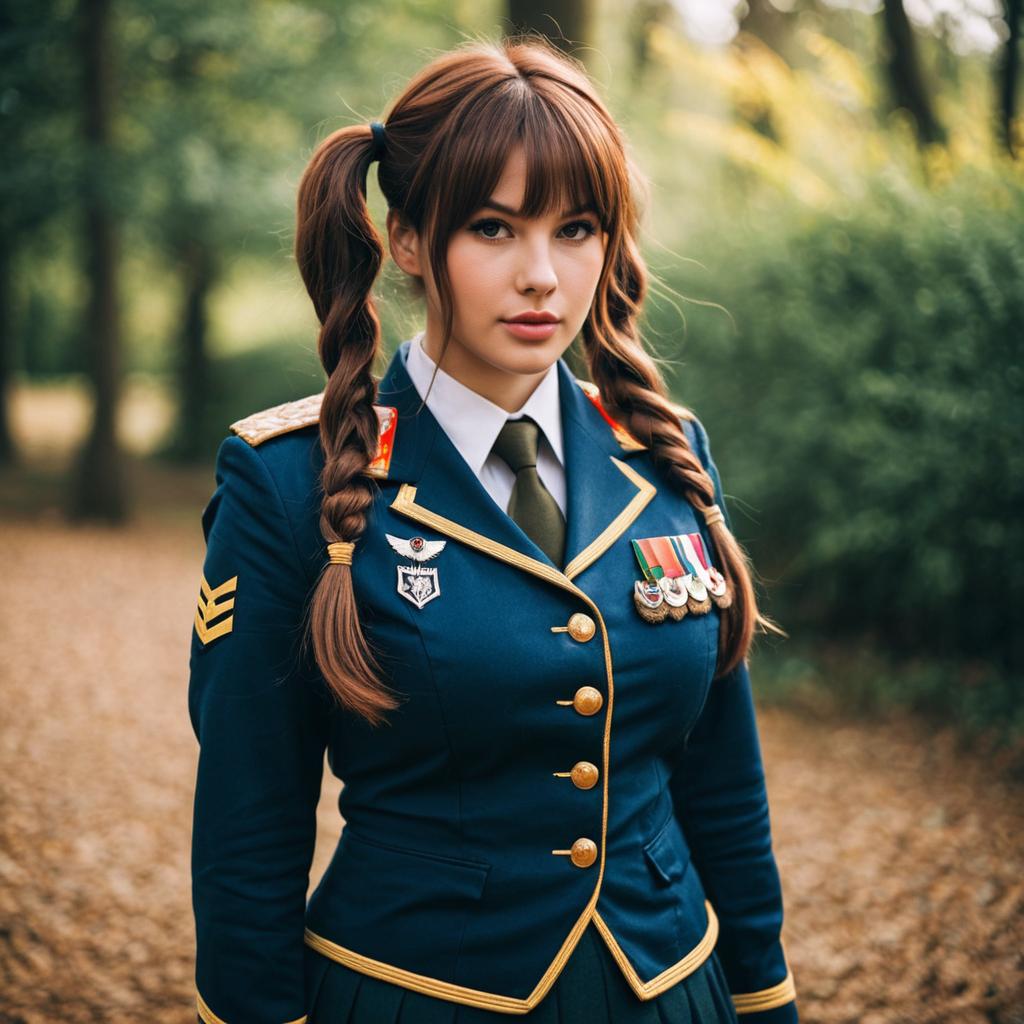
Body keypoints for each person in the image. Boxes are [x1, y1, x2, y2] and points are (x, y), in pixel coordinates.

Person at [187, 36, 799, 1024]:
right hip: (413, 996)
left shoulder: (667, 454)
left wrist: (766, 999)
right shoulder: (286, 480)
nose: (542, 276)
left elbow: (723, 777)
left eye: (575, 230)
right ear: (409, 240)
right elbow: (248, 823)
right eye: (492, 228)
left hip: (671, 992)